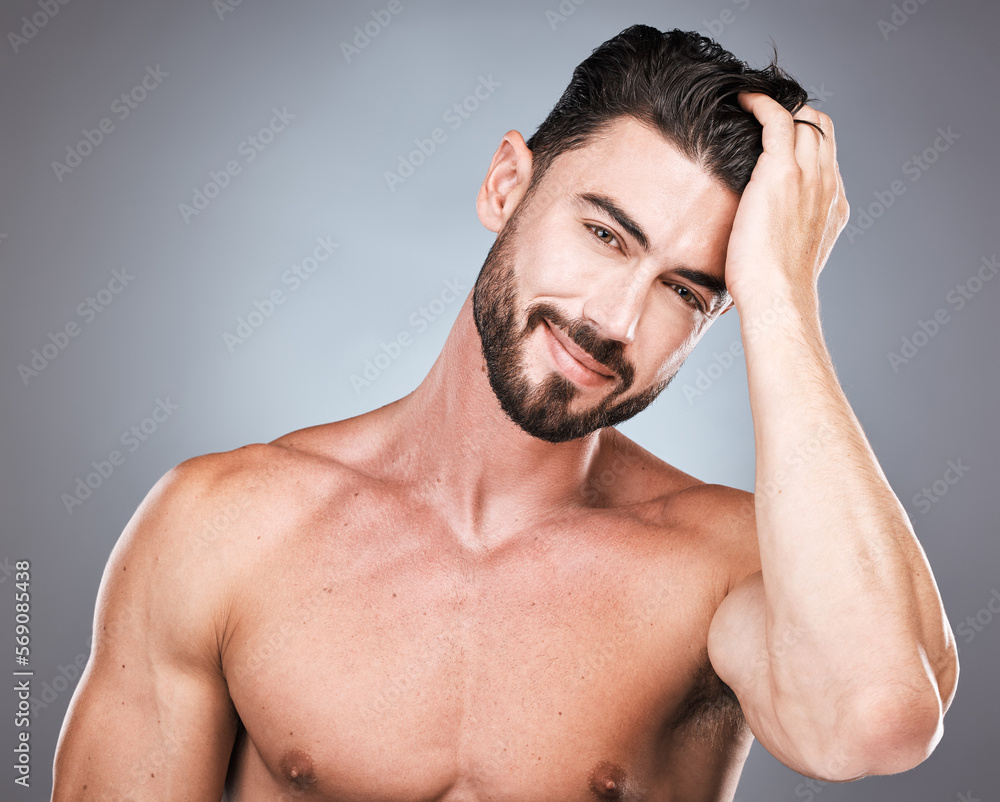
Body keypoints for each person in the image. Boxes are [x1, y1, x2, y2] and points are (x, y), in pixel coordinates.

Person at [52, 24, 958, 801]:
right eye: (603, 234)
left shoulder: (729, 568)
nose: (615, 319)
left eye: (685, 291)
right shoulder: (220, 529)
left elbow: (875, 719)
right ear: (505, 186)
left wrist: (782, 296)